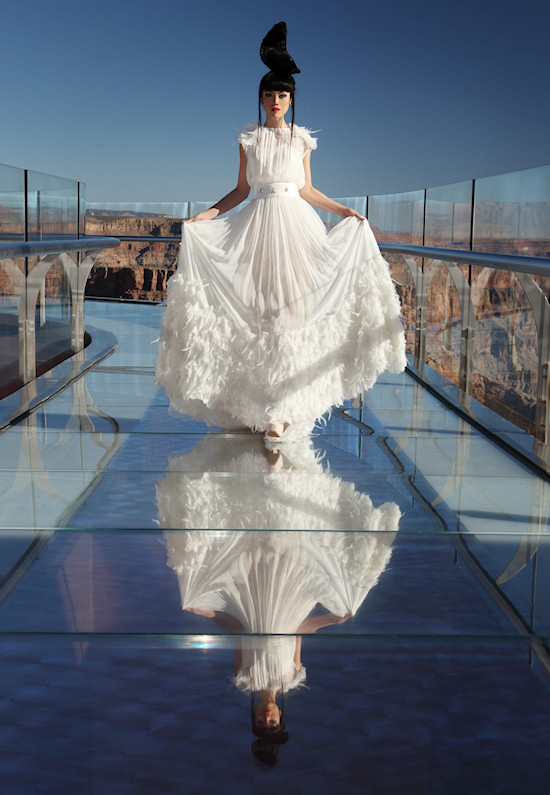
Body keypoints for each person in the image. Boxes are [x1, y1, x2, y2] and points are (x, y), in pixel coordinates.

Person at [156, 21, 406, 441]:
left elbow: (306, 189)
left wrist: (343, 209)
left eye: (283, 94)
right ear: (260, 97)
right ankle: (256, 402)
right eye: (269, 94)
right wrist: (205, 216)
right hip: (253, 229)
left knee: (291, 312)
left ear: (292, 99)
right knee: (257, 313)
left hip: (296, 229)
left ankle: (282, 407)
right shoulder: (248, 139)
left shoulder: (302, 141)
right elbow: (240, 191)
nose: (276, 101)